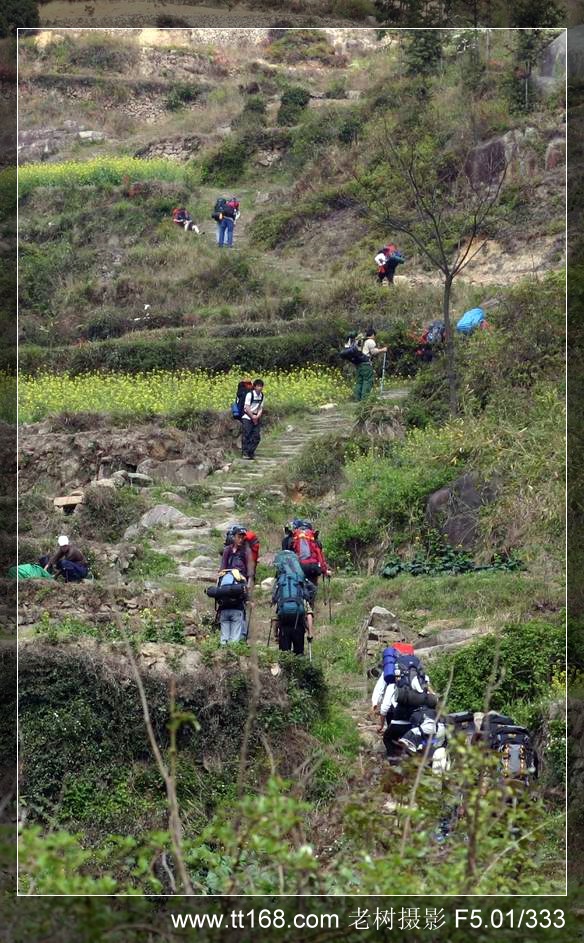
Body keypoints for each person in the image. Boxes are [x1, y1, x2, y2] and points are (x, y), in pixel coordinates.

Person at [217, 527, 252, 645]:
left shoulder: (246, 552)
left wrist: (248, 588)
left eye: (243, 537)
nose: (241, 539)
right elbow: (222, 569)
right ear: (233, 537)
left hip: (240, 585)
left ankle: (240, 638)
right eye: (239, 536)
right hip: (227, 584)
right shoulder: (227, 550)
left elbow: (250, 573)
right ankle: (233, 642)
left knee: (240, 610)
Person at [282, 519, 332, 585]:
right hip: (313, 567)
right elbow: (320, 557)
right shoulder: (314, 538)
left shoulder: (293, 537)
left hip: (298, 567)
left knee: (298, 587)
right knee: (312, 588)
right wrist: (325, 571)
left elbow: (287, 556)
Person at [354, 327, 387, 401]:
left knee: (359, 381)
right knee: (367, 380)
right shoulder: (370, 341)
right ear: (372, 335)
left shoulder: (361, 341)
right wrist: (383, 350)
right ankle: (364, 399)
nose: (374, 337)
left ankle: (357, 398)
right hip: (366, 364)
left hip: (359, 364)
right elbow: (373, 352)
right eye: (374, 335)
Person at [241, 378, 264, 460]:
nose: (260, 388)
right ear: (254, 386)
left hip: (256, 417)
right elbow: (246, 407)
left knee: (257, 436)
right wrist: (252, 417)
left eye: (261, 386)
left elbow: (260, 407)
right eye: (258, 386)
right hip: (247, 417)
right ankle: (245, 453)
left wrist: (257, 416)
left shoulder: (262, 395)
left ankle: (251, 452)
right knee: (247, 435)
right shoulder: (250, 395)